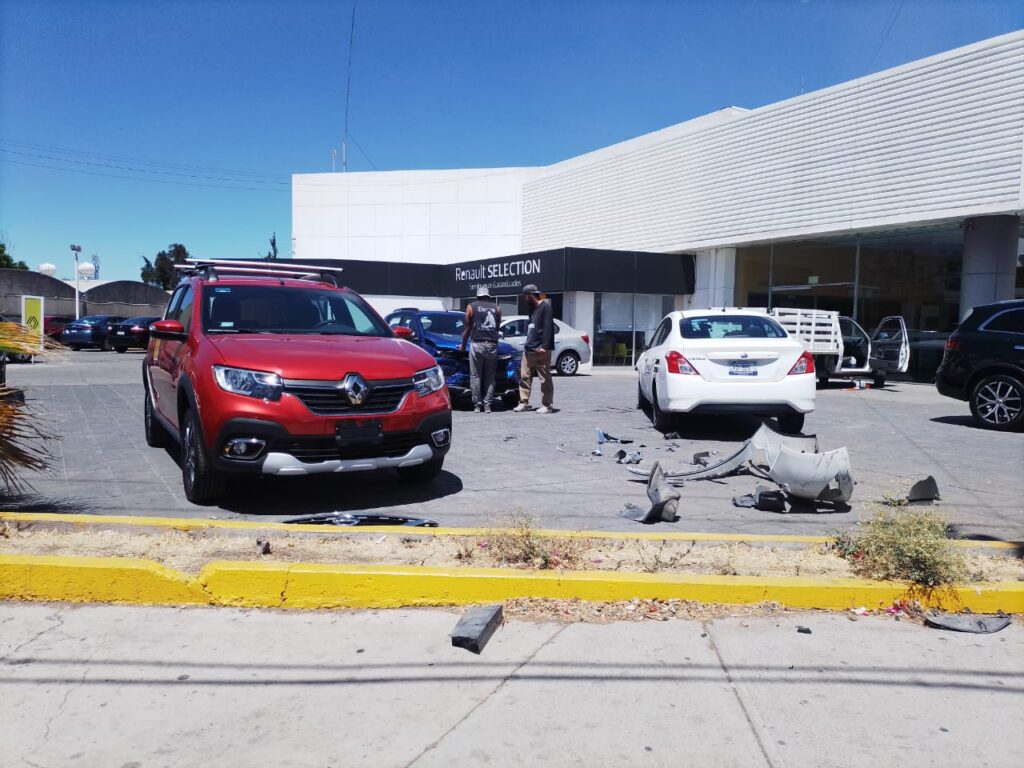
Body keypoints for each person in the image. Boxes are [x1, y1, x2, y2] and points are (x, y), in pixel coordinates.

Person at [459, 285, 501, 412]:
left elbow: (467, 328)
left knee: (476, 376)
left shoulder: (471, 307)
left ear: (477, 296)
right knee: (490, 376)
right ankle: (487, 405)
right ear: (488, 296)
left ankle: (477, 405)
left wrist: (463, 345)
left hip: (477, 344)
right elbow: (497, 328)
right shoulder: (497, 308)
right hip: (492, 345)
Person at [514, 284, 554, 414]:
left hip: (540, 349)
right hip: (529, 348)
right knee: (525, 376)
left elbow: (548, 327)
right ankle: (524, 402)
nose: (524, 299)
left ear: (530, 295)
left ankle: (547, 405)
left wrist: (545, 346)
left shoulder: (545, 307)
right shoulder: (532, 308)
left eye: (525, 296)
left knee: (544, 378)